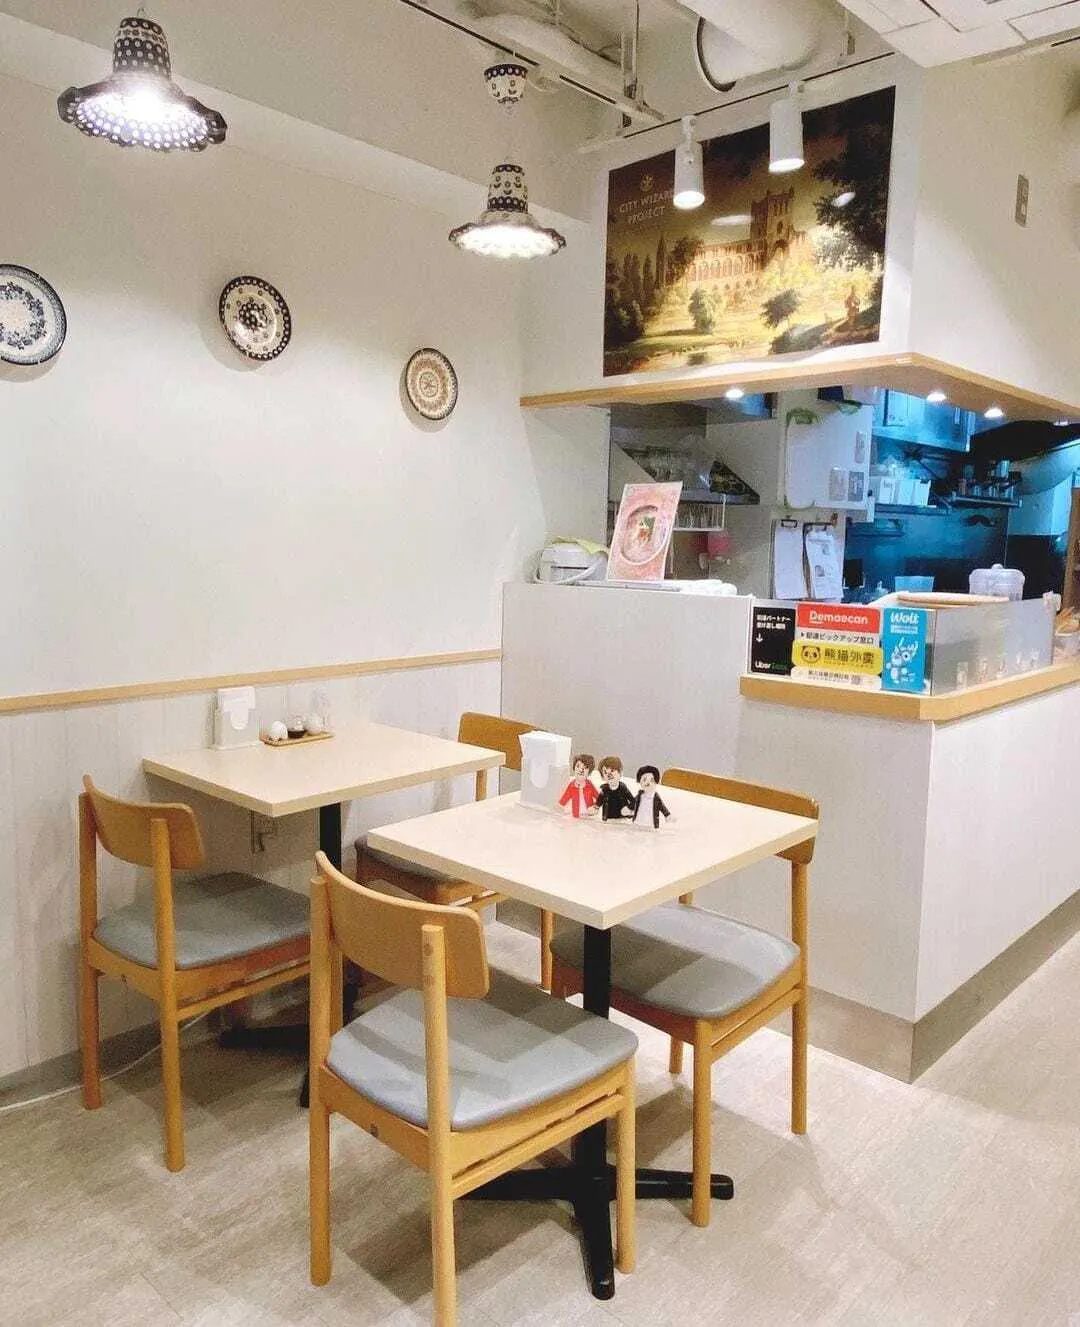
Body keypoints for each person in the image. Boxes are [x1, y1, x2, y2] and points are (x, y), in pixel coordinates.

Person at [595, 756, 634, 822]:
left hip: (623, 819)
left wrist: (628, 808)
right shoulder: (604, 790)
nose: (609, 775)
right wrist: (595, 808)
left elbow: (633, 801)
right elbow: (598, 802)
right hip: (608, 820)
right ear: (602, 777)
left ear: (620, 773)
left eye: (612, 771)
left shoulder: (623, 788)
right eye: (605, 772)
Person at [559, 754, 598, 818]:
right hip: (576, 817)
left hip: (589, 817)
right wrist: (558, 808)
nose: (581, 770)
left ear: (589, 771)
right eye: (578, 766)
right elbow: (564, 799)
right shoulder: (572, 785)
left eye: (585, 768)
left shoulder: (590, 785)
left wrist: (594, 807)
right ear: (574, 768)